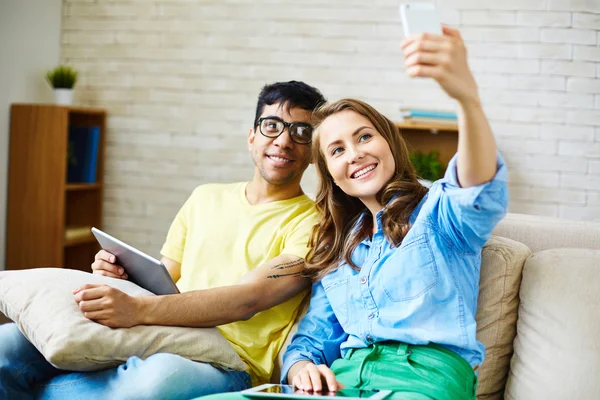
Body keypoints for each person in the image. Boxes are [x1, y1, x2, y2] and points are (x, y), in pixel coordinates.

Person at [0, 81, 326, 399]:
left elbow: (248, 299)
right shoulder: (204, 197)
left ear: (314, 150)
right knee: (9, 343)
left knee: (152, 384)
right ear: (252, 136)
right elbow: (165, 278)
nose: (284, 140)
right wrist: (123, 276)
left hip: (230, 360)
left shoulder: (315, 222)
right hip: (166, 330)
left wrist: (137, 309)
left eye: (301, 132)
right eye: (272, 126)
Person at [280, 27, 508, 400]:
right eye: (336, 150)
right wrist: (300, 367)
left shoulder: (437, 211)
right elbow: (312, 338)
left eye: (364, 137)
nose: (354, 154)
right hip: (345, 382)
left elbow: (475, 188)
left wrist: (467, 98)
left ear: (388, 140)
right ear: (331, 175)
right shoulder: (340, 247)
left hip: (423, 381)